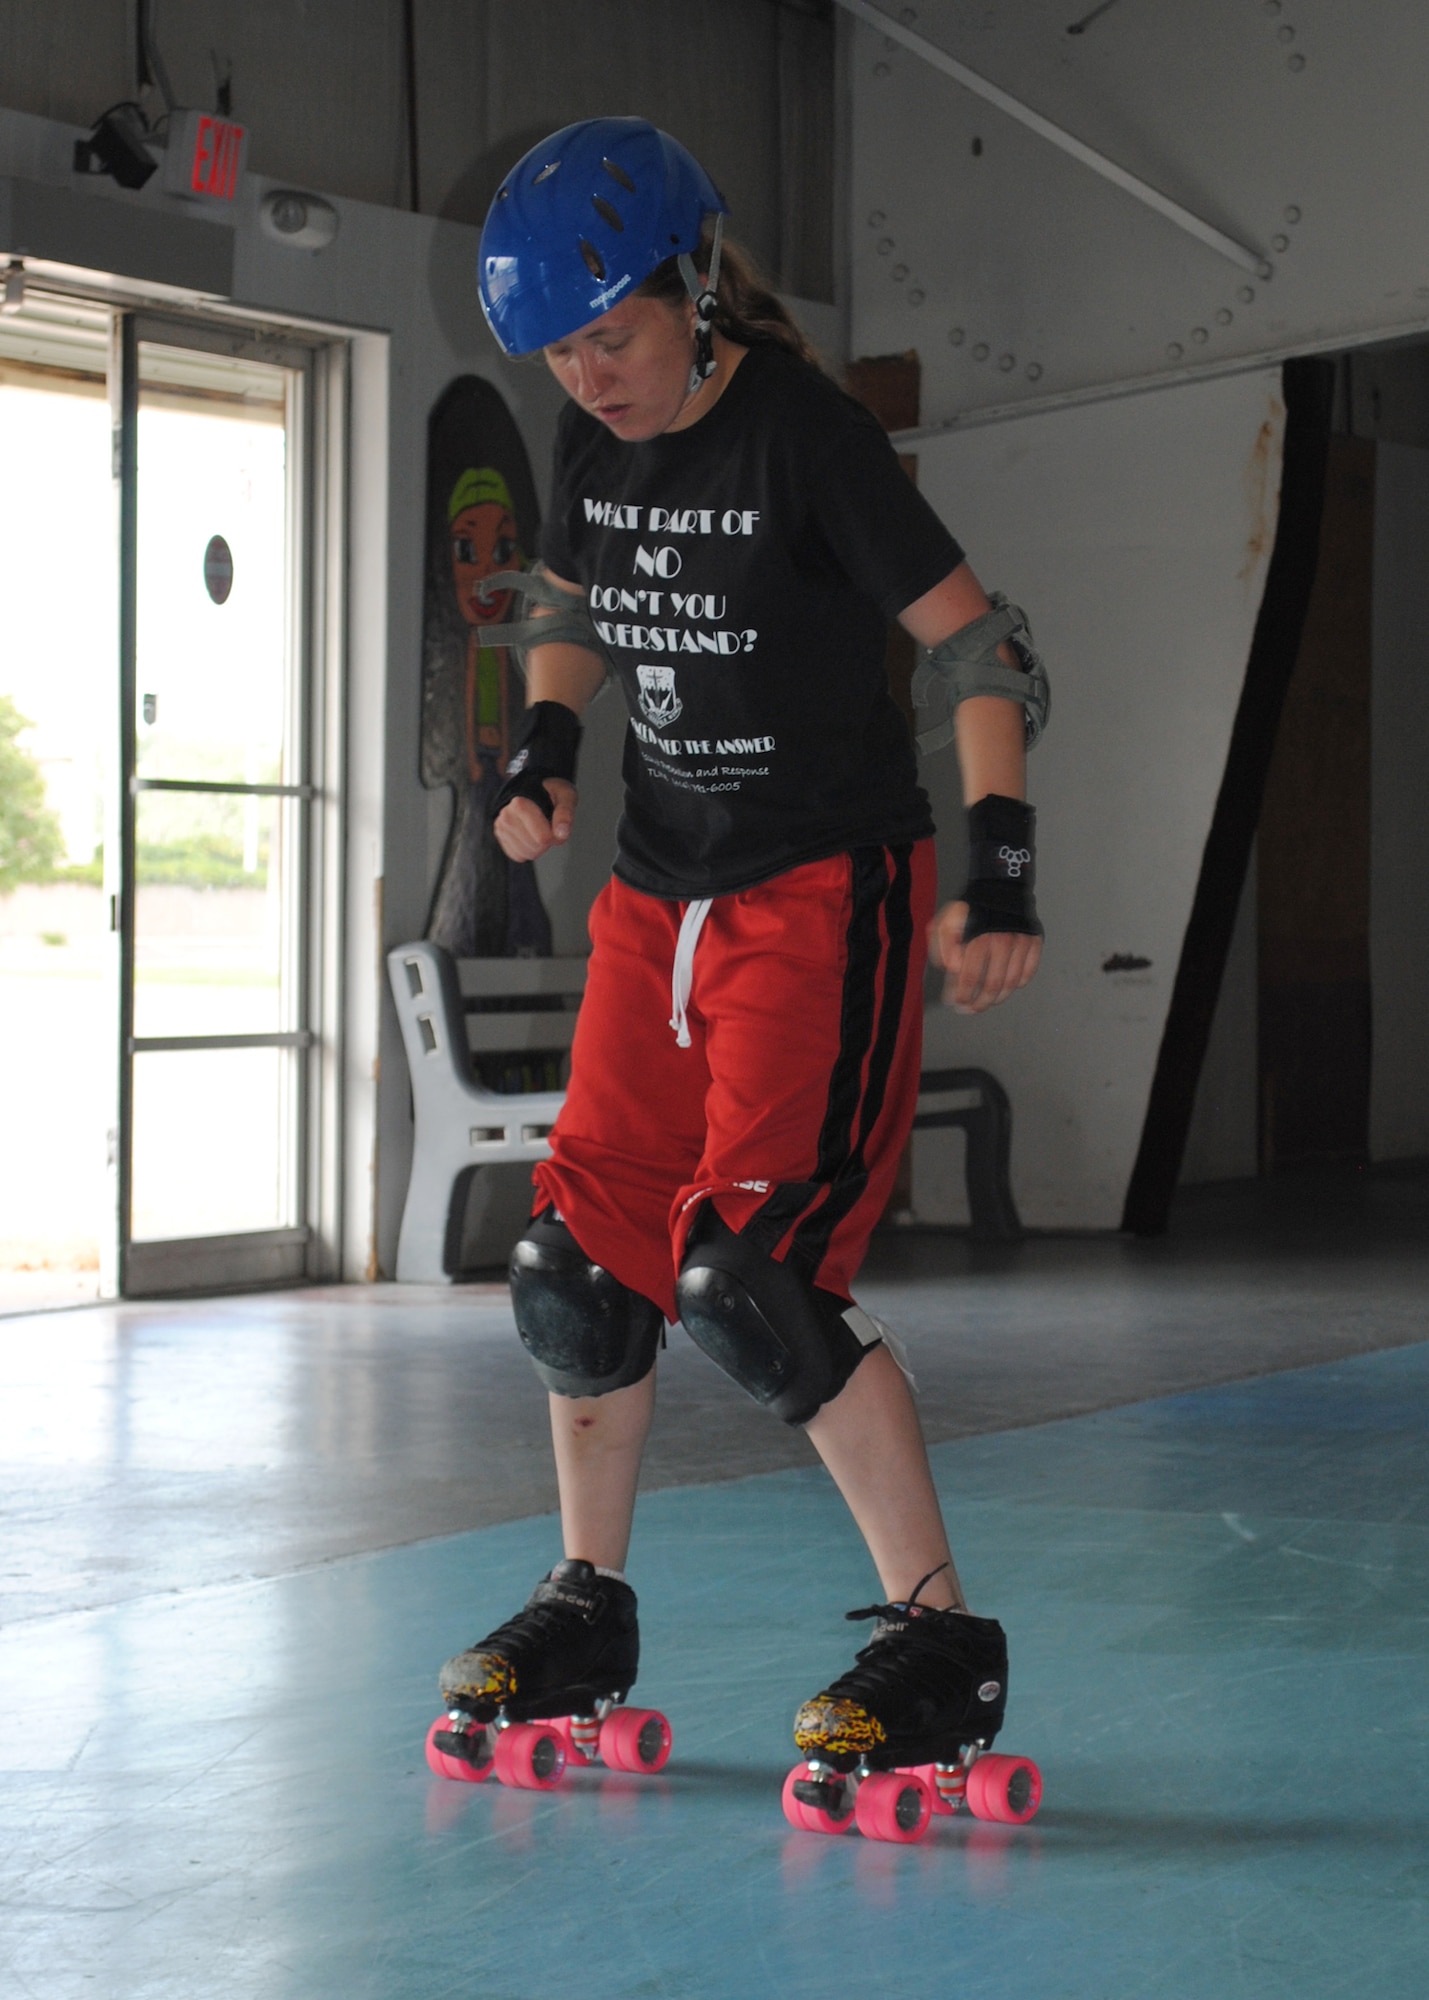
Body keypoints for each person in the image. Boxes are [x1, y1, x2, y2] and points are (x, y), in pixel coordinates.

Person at [434, 119, 1046, 1801]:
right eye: (559, 347)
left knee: (751, 1276)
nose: (588, 371)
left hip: (818, 892)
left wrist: (996, 866)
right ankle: (587, 1599)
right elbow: (569, 599)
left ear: (694, 288)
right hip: (657, 895)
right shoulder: (592, 439)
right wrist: (546, 743)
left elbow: (981, 652)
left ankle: (934, 1633)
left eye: (609, 332)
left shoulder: (809, 440)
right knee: (578, 1262)